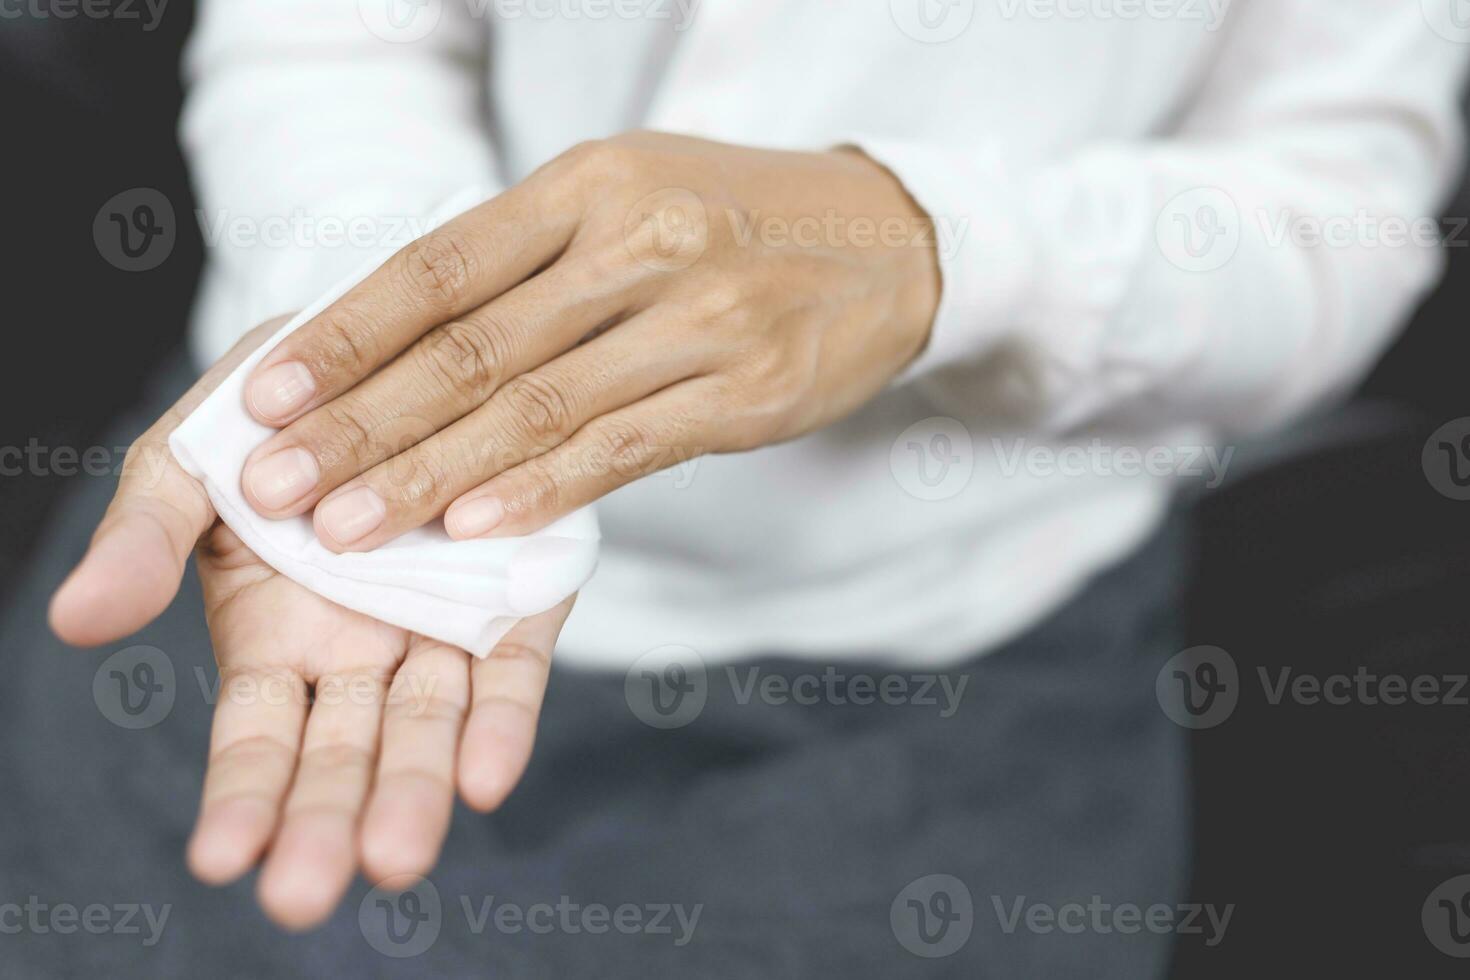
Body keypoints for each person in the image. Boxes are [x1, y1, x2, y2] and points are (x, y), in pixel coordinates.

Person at [9, 0, 1465, 974]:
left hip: (938, 704)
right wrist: (379, 360)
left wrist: (948, 252)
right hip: (288, 590)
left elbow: (1334, 203)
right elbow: (331, 33)